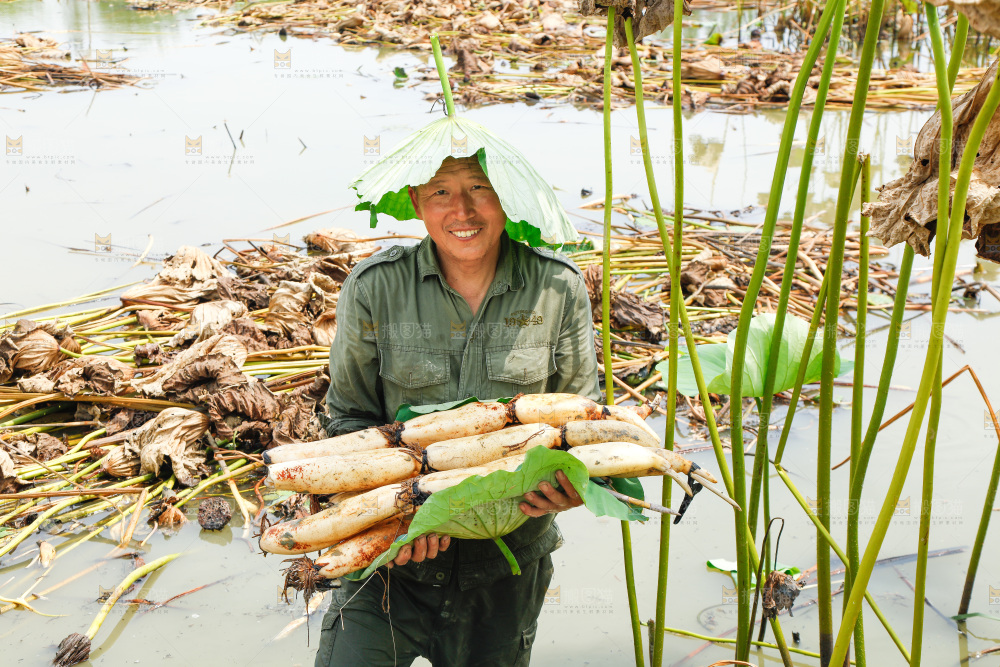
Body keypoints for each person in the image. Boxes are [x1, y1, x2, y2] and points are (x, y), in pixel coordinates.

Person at [315, 154, 601, 667]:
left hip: (508, 566)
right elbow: (348, 420)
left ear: (505, 196)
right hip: (391, 562)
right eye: (441, 191)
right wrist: (396, 517)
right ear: (416, 201)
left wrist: (575, 486)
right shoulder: (376, 286)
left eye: (479, 188)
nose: (462, 211)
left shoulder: (557, 286)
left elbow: (580, 422)